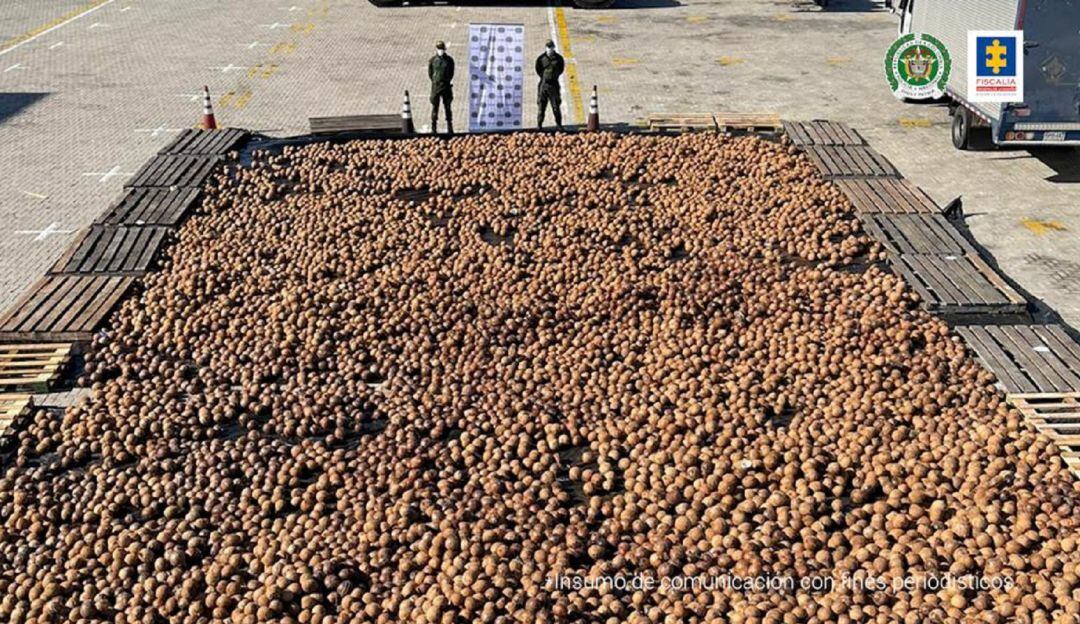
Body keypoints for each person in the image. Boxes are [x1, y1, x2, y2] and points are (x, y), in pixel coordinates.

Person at [535, 40, 565, 130]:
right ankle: (539, 125)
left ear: (554, 47)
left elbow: (561, 69)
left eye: (551, 47)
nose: (550, 49)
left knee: (556, 107)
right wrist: (545, 77)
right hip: (544, 85)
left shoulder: (559, 58)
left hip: (554, 85)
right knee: (541, 107)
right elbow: (538, 69)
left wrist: (553, 76)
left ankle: (559, 125)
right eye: (548, 47)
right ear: (546, 48)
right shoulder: (541, 58)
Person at [428, 41, 455, 134]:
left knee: (447, 106)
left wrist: (446, 80)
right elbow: (430, 73)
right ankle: (433, 127)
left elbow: (451, 72)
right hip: (436, 86)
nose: (440, 51)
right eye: (439, 49)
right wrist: (435, 81)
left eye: (442, 49)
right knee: (435, 106)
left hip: (446, 85)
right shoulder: (432, 60)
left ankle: (449, 126)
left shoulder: (449, 60)